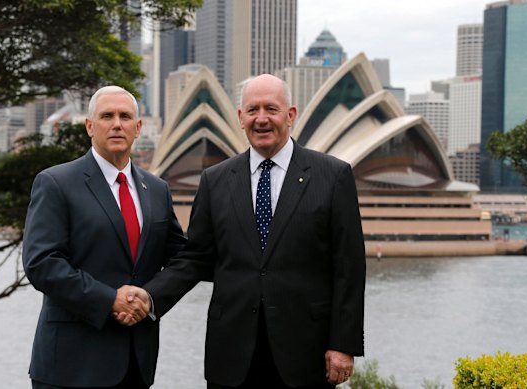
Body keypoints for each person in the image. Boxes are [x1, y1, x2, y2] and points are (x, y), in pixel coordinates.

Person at [122, 74, 366, 388]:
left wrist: (343, 344)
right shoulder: (215, 180)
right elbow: (195, 258)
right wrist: (148, 297)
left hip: (306, 353)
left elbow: (349, 268)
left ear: (290, 115)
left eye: (271, 109)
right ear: (240, 118)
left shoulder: (333, 176)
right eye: (252, 110)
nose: (261, 119)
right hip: (232, 354)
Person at [22, 85, 186, 389]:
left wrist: (150, 299)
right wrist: (110, 299)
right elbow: (42, 263)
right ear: (89, 126)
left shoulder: (158, 189)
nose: (116, 124)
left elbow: (182, 259)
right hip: (70, 367)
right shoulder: (56, 183)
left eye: (125, 117)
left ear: (138, 128)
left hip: (136, 363)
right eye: (106, 116)